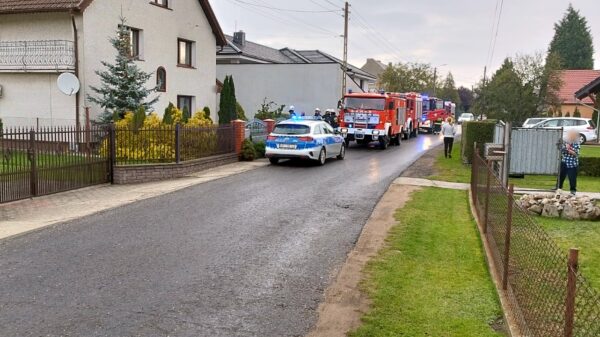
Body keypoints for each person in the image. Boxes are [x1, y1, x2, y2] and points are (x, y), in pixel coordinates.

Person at [557, 130, 581, 195]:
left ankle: (573, 191)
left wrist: (568, 149)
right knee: (560, 177)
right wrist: (567, 149)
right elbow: (561, 150)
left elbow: (576, 153)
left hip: (572, 164)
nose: (570, 137)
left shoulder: (576, 143)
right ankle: (559, 188)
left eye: (572, 136)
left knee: (572, 178)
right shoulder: (566, 142)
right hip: (564, 162)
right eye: (570, 135)